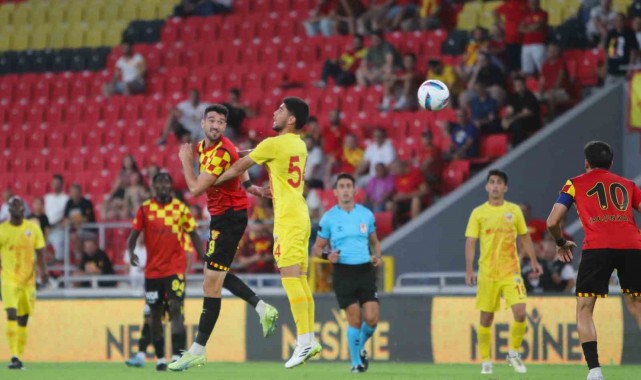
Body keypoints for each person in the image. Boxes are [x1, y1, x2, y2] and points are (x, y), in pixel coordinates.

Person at [211, 97, 322, 369]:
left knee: (290, 278)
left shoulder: (273, 144)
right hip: (299, 215)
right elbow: (261, 153)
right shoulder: (298, 144)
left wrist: (210, 181)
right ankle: (309, 338)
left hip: (288, 219)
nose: (275, 112)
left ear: (292, 119)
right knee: (300, 280)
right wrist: (249, 172)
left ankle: (305, 342)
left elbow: (239, 167)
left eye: (281, 109)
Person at [170, 104, 280, 371]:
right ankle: (262, 308)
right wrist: (249, 186)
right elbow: (239, 161)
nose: (216, 125)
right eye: (212, 120)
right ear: (203, 124)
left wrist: (185, 162)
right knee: (215, 275)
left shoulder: (220, 152)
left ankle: (198, 350)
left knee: (211, 285)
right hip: (224, 217)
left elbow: (196, 188)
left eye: (221, 122)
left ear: (224, 126)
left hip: (229, 217)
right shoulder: (207, 147)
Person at [546, 141, 641, 380]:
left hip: (597, 247)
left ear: (585, 163)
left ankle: (595, 371)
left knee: (585, 308)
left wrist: (560, 243)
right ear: (611, 163)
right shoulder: (628, 184)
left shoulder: (574, 184)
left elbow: (551, 222)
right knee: (637, 306)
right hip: (632, 246)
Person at [465, 169, 543, 375]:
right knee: (486, 318)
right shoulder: (478, 213)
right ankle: (485, 361)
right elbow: (471, 242)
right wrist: (469, 269)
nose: (495, 185)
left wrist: (534, 261)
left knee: (520, 312)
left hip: (511, 271)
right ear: (486, 187)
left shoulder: (514, 211)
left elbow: (525, 237)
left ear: (505, 187)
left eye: (499, 182)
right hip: (487, 273)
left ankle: (514, 353)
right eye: (492, 182)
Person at [123, 173, 201, 371]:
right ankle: (159, 358)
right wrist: (131, 252)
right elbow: (133, 235)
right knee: (154, 315)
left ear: (171, 186)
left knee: (176, 308)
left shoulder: (181, 208)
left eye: (167, 182)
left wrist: (205, 258)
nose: (163, 186)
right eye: (159, 183)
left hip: (174, 269)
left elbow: (194, 234)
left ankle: (177, 356)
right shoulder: (145, 209)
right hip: (152, 272)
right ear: (153, 186)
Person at [311, 173, 382, 373]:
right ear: (335, 192)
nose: (345, 189)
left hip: (365, 270)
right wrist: (327, 256)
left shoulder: (366, 215)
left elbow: (375, 241)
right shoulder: (329, 217)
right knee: (354, 318)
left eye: (348, 186)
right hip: (343, 272)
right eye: (341, 186)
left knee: (372, 318)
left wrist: (378, 256)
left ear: (354, 190)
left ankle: (360, 348)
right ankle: (356, 364)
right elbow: (316, 248)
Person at [0, 197, 48, 369]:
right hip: (9, 280)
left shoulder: (33, 229)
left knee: (23, 319)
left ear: (23, 210)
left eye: (19, 206)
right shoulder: (2, 230)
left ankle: (18, 357)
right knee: (11, 313)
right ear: (9, 210)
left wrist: (44, 272)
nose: (17, 209)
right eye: (14, 207)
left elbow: (40, 252)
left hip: (28, 281)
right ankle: (13, 356)